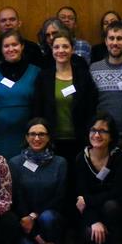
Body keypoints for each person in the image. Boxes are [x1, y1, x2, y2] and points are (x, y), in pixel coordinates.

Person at [89, 21, 122, 244]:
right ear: (106, 41)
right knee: (104, 191)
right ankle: (106, 239)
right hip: (102, 141)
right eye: (111, 38)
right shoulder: (94, 68)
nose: (115, 43)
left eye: (120, 38)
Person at [9, 118, 66, 244]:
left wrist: (35, 215)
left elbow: (60, 197)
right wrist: (28, 221)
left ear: (48, 137)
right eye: (32, 134)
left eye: (42, 134)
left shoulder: (60, 163)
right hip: (25, 223)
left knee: (48, 217)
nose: (37, 138)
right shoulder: (14, 163)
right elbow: (16, 197)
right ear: (26, 138)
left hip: (49, 220)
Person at [75, 113, 122, 244]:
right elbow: (79, 196)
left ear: (111, 135)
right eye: (93, 130)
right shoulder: (80, 159)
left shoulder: (119, 157)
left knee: (111, 206)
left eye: (103, 131)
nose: (97, 135)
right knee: (90, 229)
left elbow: (119, 192)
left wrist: (89, 200)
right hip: (90, 213)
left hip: (116, 210)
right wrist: (94, 221)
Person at [33, 30, 96, 164]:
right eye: (56, 47)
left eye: (65, 46)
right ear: (51, 50)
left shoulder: (83, 76)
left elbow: (91, 108)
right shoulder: (43, 77)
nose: (61, 50)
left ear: (72, 49)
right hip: (51, 141)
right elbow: (38, 110)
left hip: (79, 140)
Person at [0, 30, 41, 159]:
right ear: (1, 49)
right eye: (6, 46)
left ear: (22, 46)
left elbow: (41, 107)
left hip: (29, 138)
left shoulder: (36, 72)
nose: (11, 49)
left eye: (15, 45)